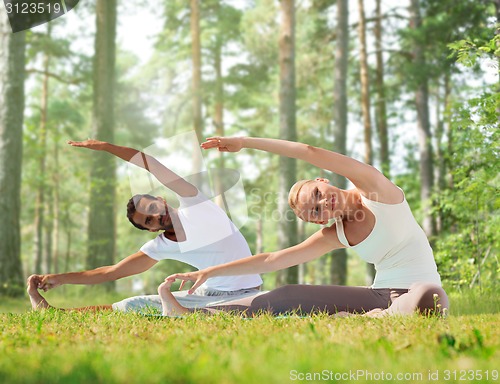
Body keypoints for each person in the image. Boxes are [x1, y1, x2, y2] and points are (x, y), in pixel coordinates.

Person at [160, 136, 449, 317]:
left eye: (317, 195)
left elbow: (309, 151)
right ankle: (188, 313)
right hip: (379, 294)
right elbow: (272, 260)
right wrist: (207, 272)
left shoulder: (376, 190)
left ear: (322, 181)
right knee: (286, 294)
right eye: (316, 212)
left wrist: (245, 142)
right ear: (321, 222)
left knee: (429, 295)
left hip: (420, 291)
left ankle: (371, 318)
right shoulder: (336, 233)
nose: (324, 205)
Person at [27, 139, 262, 313]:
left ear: (161, 200)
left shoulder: (195, 203)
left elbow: (150, 163)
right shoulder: (161, 246)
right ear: (150, 229)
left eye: (152, 209)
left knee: (215, 314)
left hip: (248, 293)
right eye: (149, 221)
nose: (156, 216)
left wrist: (107, 147)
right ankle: (57, 314)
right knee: (131, 305)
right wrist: (61, 278)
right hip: (208, 294)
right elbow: (111, 272)